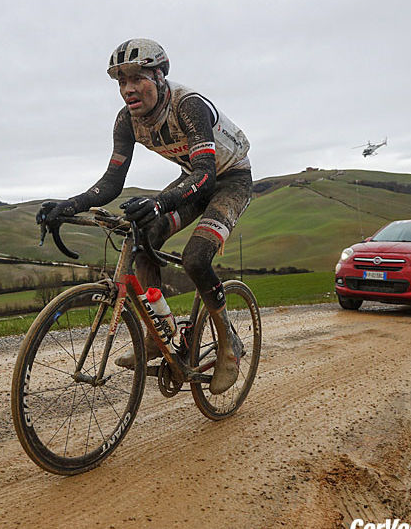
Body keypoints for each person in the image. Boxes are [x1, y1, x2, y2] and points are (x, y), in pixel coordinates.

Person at [36, 38, 251, 394]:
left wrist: (158, 202)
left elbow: (206, 175)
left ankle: (229, 346)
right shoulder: (127, 121)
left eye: (137, 79)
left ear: (160, 77)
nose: (128, 89)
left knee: (196, 259)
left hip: (229, 180)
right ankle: (159, 332)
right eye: (122, 82)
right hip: (193, 178)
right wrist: (69, 205)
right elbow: (111, 183)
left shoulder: (188, 106)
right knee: (142, 240)